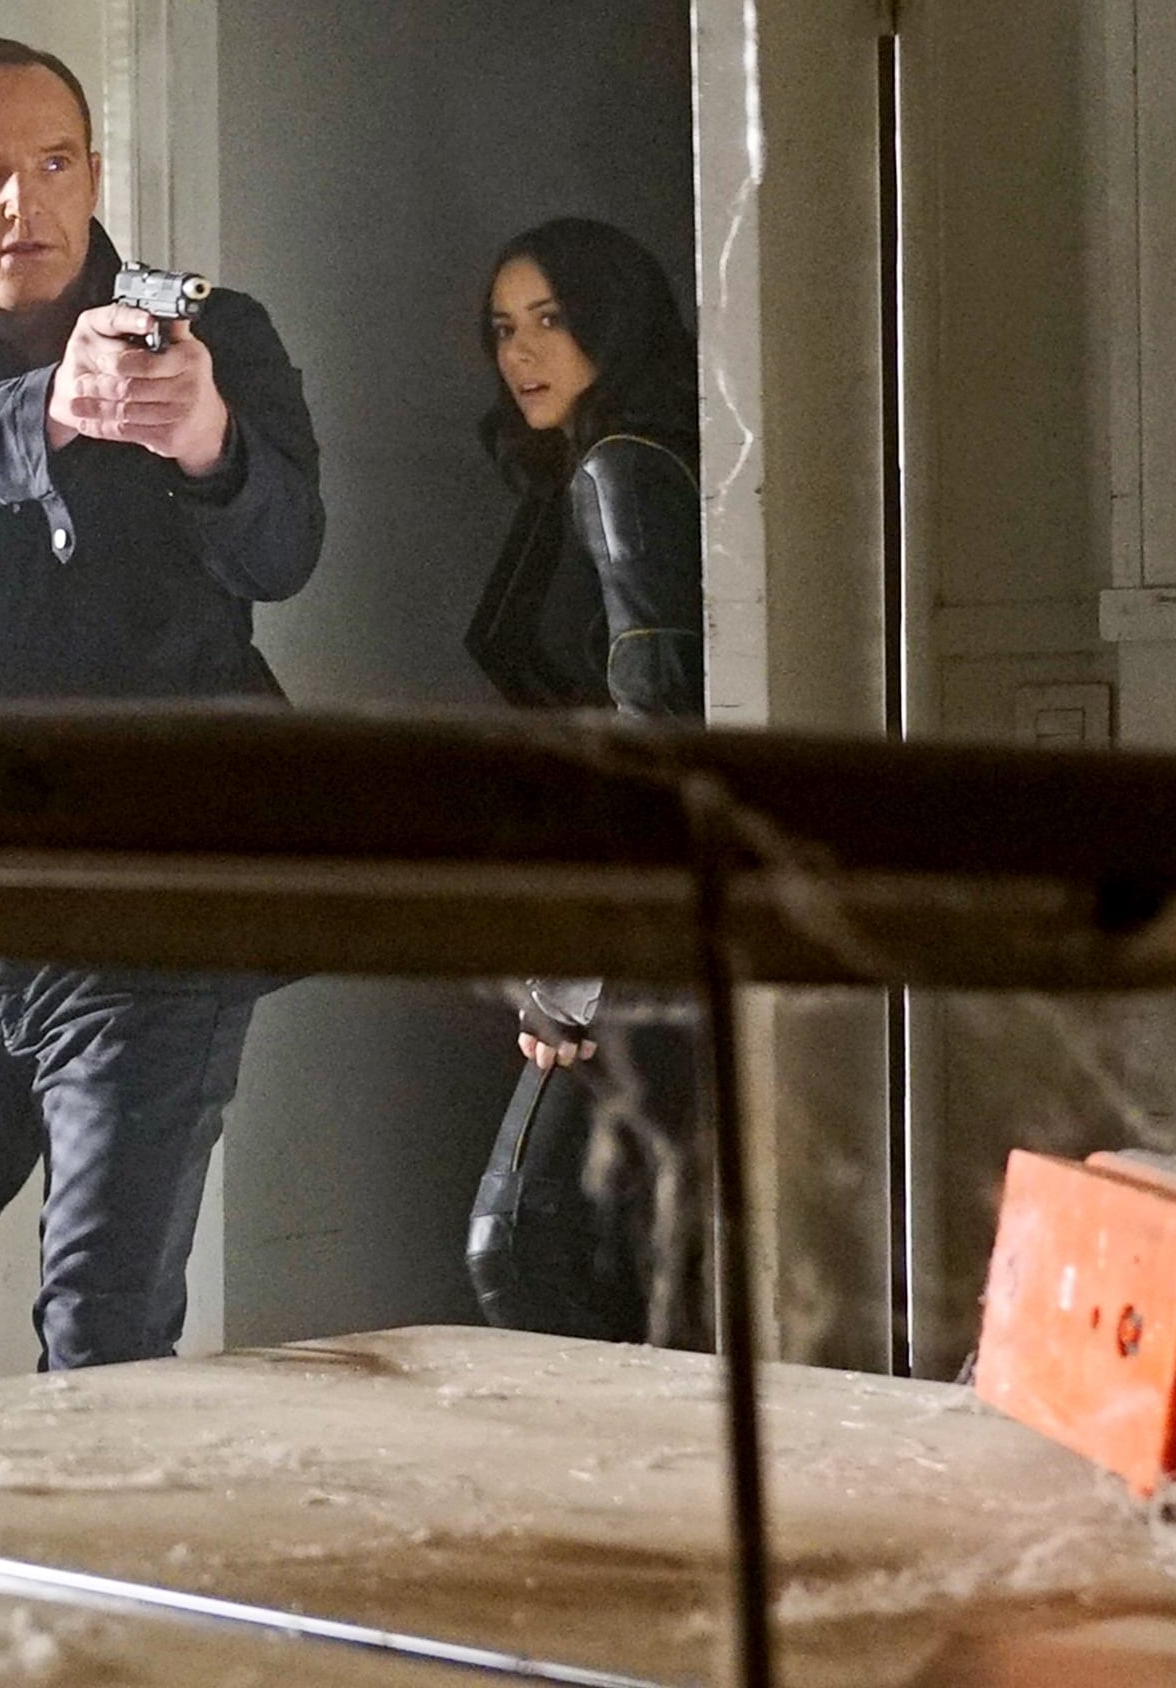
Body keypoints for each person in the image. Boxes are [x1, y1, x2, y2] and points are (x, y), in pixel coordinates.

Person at [0, 38, 325, 1394]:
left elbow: (286, 554)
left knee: (105, 1349)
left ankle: (91, 1551)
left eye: (52, 164)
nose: (23, 202)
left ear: (93, 173)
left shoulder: (219, 334)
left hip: (150, 916)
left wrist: (209, 441)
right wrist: (54, 406)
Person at [456, 217, 711, 1350]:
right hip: (646, 918)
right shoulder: (589, 467)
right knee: (638, 1263)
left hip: (641, 932)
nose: (520, 352)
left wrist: (579, 968)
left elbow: (660, 730)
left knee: (520, 1245)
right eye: (503, 328)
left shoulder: (623, 470)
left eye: (550, 320)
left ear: (614, 324)